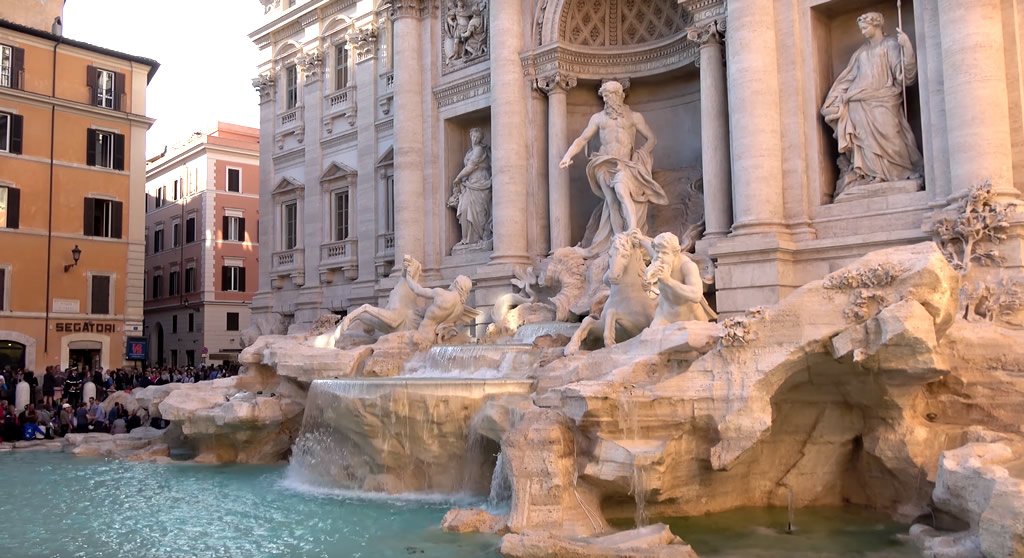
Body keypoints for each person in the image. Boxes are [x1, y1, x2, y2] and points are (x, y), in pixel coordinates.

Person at [560, 80, 668, 255]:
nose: (608, 100)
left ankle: (633, 231)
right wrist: (568, 155)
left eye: (611, 96)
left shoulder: (634, 117)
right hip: (603, 164)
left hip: (624, 165)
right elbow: (582, 139)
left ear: (620, 95)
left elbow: (651, 139)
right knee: (611, 201)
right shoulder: (598, 118)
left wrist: (639, 157)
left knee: (621, 190)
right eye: (605, 97)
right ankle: (617, 241)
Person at [821, 12, 921, 194]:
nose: (862, 31)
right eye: (861, 29)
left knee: (892, 136)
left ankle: (900, 172)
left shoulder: (890, 45)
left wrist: (906, 48)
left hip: (884, 100)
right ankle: (871, 175)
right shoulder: (861, 53)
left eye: (865, 27)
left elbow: (904, 76)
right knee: (864, 141)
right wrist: (834, 98)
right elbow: (847, 78)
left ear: (877, 26)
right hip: (859, 103)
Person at [401, 254, 480, 342]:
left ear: (457, 284)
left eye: (454, 281)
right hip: (434, 339)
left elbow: (417, 290)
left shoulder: (441, 294)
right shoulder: (460, 309)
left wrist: (408, 276)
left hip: (421, 335)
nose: (452, 283)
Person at [448, 127, 492, 247]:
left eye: (477, 136)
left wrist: (457, 178)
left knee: (479, 211)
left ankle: (479, 237)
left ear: (480, 138)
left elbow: (471, 167)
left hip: (480, 182)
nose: (474, 138)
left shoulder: (479, 150)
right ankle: (467, 238)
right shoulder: (469, 152)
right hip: (469, 184)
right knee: (465, 208)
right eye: (472, 136)